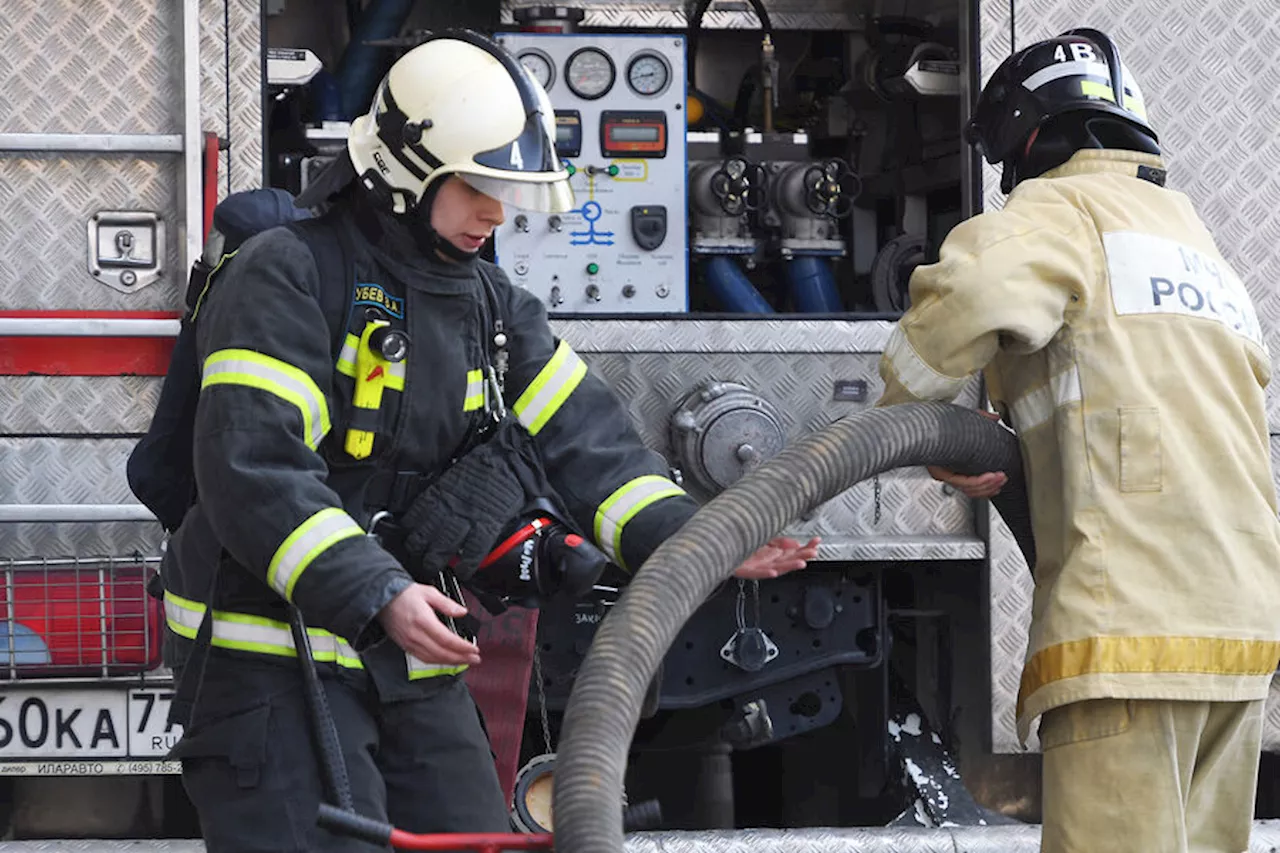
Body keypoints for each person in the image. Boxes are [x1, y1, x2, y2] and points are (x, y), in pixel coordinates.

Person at [159, 29, 819, 852]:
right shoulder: (284, 275)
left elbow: (591, 447)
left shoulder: (488, 305)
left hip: (407, 648)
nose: (496, 211)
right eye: (478, 186)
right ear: (408, 169)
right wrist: (379, 595)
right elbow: (253, 474)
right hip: (266, 655)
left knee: (476, 837)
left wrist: (706, 538)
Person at [875, 27, 1280, 853]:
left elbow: (964, 301)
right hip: (1239, 640)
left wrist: (913, 417)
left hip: (1130, 632)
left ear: (1027, 138)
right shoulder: (1192, 245)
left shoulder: (1058, 209)